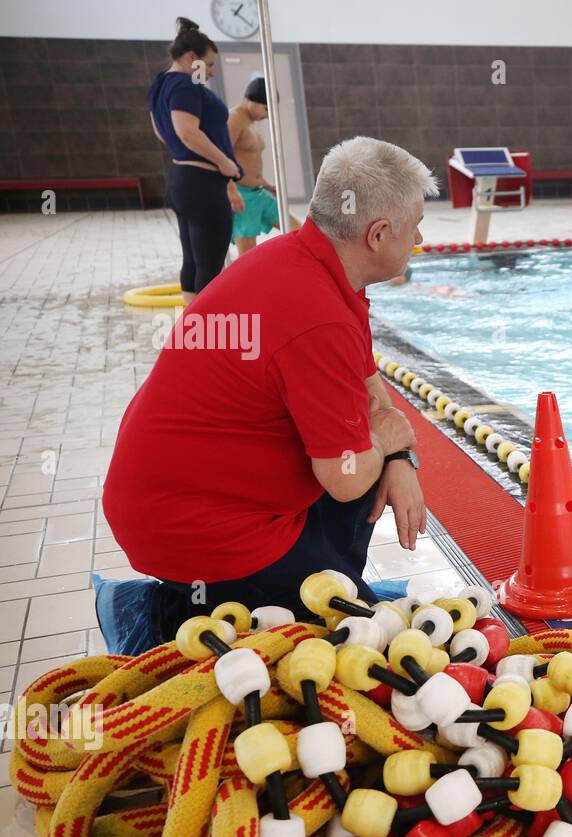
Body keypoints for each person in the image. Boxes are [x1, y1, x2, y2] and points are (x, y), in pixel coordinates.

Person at [97, 137, 438, 654]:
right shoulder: (315, 314)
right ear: (378, 234)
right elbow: (345, 480)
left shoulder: (311, 263)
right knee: (348, 644)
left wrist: (397, 454)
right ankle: (160, 613)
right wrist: (387, 439)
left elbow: (368, 387)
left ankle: (319, 579)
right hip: (188, 525)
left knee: (363, 467)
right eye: (414, 226)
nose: (420, 237)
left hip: (196, 493)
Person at [147, 17, 242, 301]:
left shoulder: (161, 83)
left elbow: (162, 132)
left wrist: (184, 152)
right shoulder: (186, 85)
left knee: (193, 260)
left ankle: (193, 330)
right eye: (209, 64)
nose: (211, 72)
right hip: (203, 184)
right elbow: (186, 132)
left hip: (182, 179)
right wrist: (225, 163)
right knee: (210, 265)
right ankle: (209, 337)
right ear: (192, 58)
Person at [228, 76, 302, 256]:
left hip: (259, 192)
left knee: (298, 231)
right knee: (247, 255)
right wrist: (230, 190)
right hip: (242, 194)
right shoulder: (234, 118)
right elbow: (221, 156)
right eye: (266, 108)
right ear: (252, 100)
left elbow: (248, 160)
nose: (267, 114)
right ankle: (248, 284)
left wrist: (264, 183)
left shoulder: (250, 122)